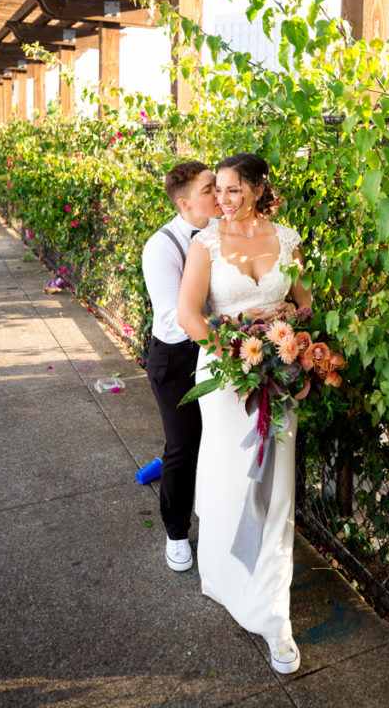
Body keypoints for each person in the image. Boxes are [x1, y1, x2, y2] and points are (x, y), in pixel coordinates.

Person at [177, 153, 311, 674]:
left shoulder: (290, 241)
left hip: (278, 372)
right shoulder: (205, 243)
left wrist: (288, 319)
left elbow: (306, 305)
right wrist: (235, 346)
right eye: (219, 192)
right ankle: (225, 575)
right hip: (227, 377)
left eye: (234, 191)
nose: (224, 202)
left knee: (276, 489)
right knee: (231, 479)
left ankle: (275, 619)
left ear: (257, 189)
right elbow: (190, 314)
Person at [141, 161, 220, 572]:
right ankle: (175, 533)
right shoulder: (162, 246)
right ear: (186, 203)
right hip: (178, 359)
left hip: (218, 348)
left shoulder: (226, 233)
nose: (220, 194)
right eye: (210, 189)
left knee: (218, 442)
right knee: (183, 447)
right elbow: (174, 319)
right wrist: (228, 335)